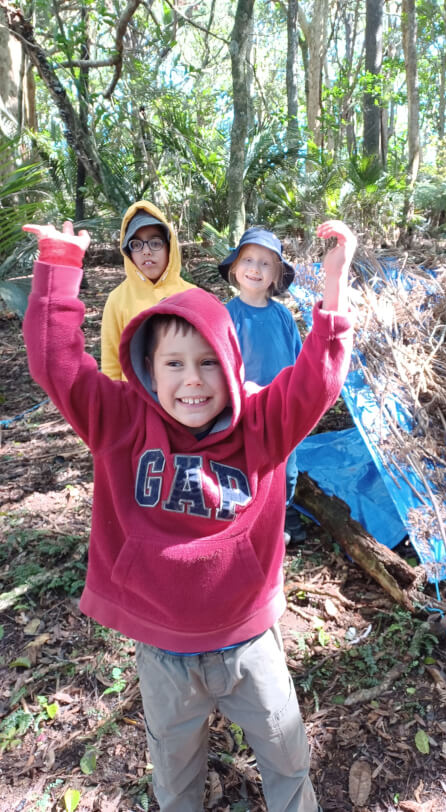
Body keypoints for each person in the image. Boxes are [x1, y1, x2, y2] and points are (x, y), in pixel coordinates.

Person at [22, 216, 356, 812]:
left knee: (286, 757)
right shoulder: (120, 421)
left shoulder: (260, 424)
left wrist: (335, 289)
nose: (193, 381)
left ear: (231, 365)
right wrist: (59, 266)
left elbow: (316, 381)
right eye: (174, 364)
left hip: (249, 640)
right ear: (148, 370)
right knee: (175, 776)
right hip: (163, 651)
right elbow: (58, 367)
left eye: (208, 363)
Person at [218, 227, 306, 543]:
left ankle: (281, 512)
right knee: (246, 463)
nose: (256, 269)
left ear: (276, 274)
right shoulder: (226, 315)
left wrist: (298, 398)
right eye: (249, 260)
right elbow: (219, 363)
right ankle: (245, 521)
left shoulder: (283, 316)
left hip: (281, 407)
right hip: (244, 410)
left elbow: (297, 360)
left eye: (266, 263)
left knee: (286, 465)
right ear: (234, 267)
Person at [101, 200, 195, 380]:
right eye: (136, 244)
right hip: (133, 403)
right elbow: (111, 364)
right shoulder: (117, 299)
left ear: (170, 246)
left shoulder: (192, 295)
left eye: (155, 242)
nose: (146, 252)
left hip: (183, 399)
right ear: (128, 252)